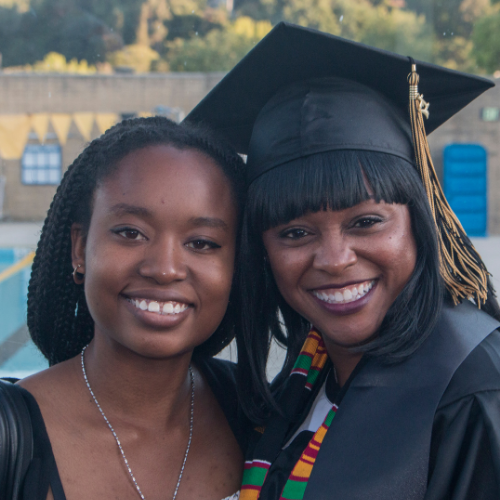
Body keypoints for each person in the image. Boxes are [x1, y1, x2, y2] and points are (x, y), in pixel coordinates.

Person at [187, 23, 500, 499]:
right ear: (262, 250)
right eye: (295, 232)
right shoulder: (306, 376)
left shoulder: (471, 391)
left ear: (421, 219)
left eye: (366, 222)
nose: (334, 260)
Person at [0, 116, 247, 500]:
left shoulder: (256, 416)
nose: (165, 269)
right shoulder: (11, 437)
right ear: (80, 248)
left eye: (202, 243)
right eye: (130, 233)